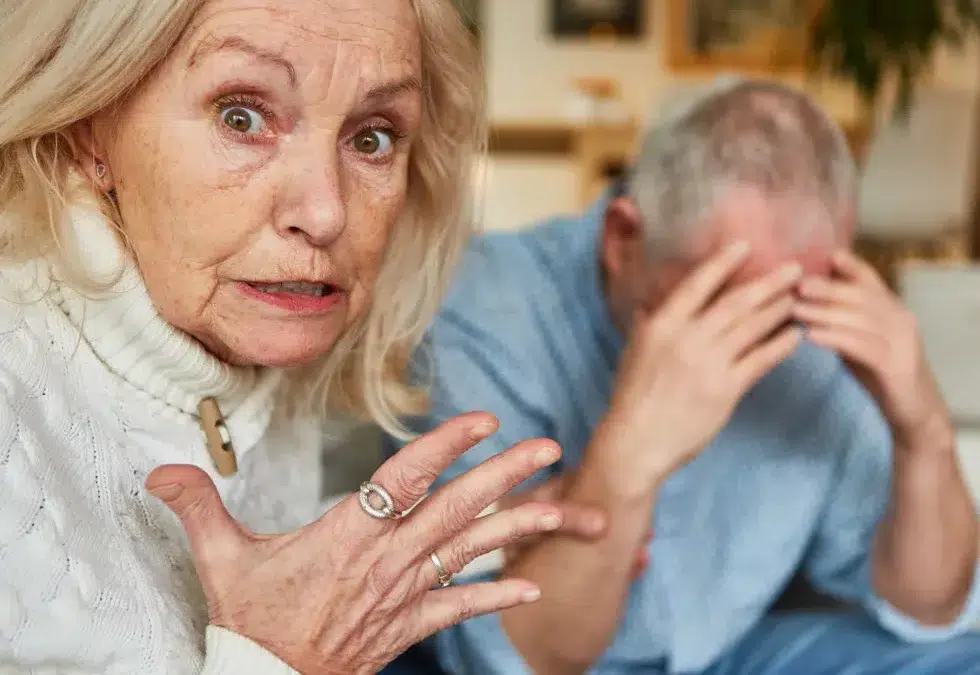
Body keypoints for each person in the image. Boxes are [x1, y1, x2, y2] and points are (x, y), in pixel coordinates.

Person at [0, 1, 577, 673]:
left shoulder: (252, 367)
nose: (326, 211)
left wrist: (425, 543)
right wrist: (278, 660)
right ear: (89, 129)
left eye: (373, 137)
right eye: (241, 116)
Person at [385, 78, 980, 674]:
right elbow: (511, 660)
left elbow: (928, 608)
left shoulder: (813, 330)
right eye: (728, 304)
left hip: (735, 653)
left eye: (794, 306)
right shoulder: (488, 311)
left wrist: (921, 429)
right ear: (623, 241)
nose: (768, 340)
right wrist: (627, 461)